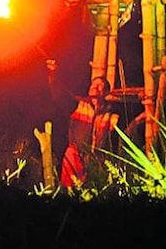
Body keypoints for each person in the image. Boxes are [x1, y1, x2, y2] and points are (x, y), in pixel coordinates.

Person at [46, 58, 138, 190]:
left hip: (97, 161)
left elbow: (128, 127)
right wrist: (52, 74)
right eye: (93, 85)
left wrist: (139, 119)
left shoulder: (111, 116)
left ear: (106, 92)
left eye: (100, 85)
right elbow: (60, 95)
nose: (95, 86)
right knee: (69, 193)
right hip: (74, 158)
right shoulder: (78, 105)